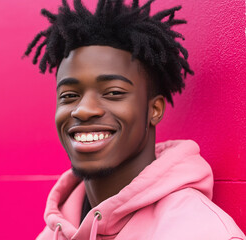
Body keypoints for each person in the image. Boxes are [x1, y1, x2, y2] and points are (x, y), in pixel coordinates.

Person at [24, 0, 246, 239]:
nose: (84, 110)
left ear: (155, 109)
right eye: (69, 95)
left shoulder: (202, 232)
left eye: (113, 92)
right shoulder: (53, 232)